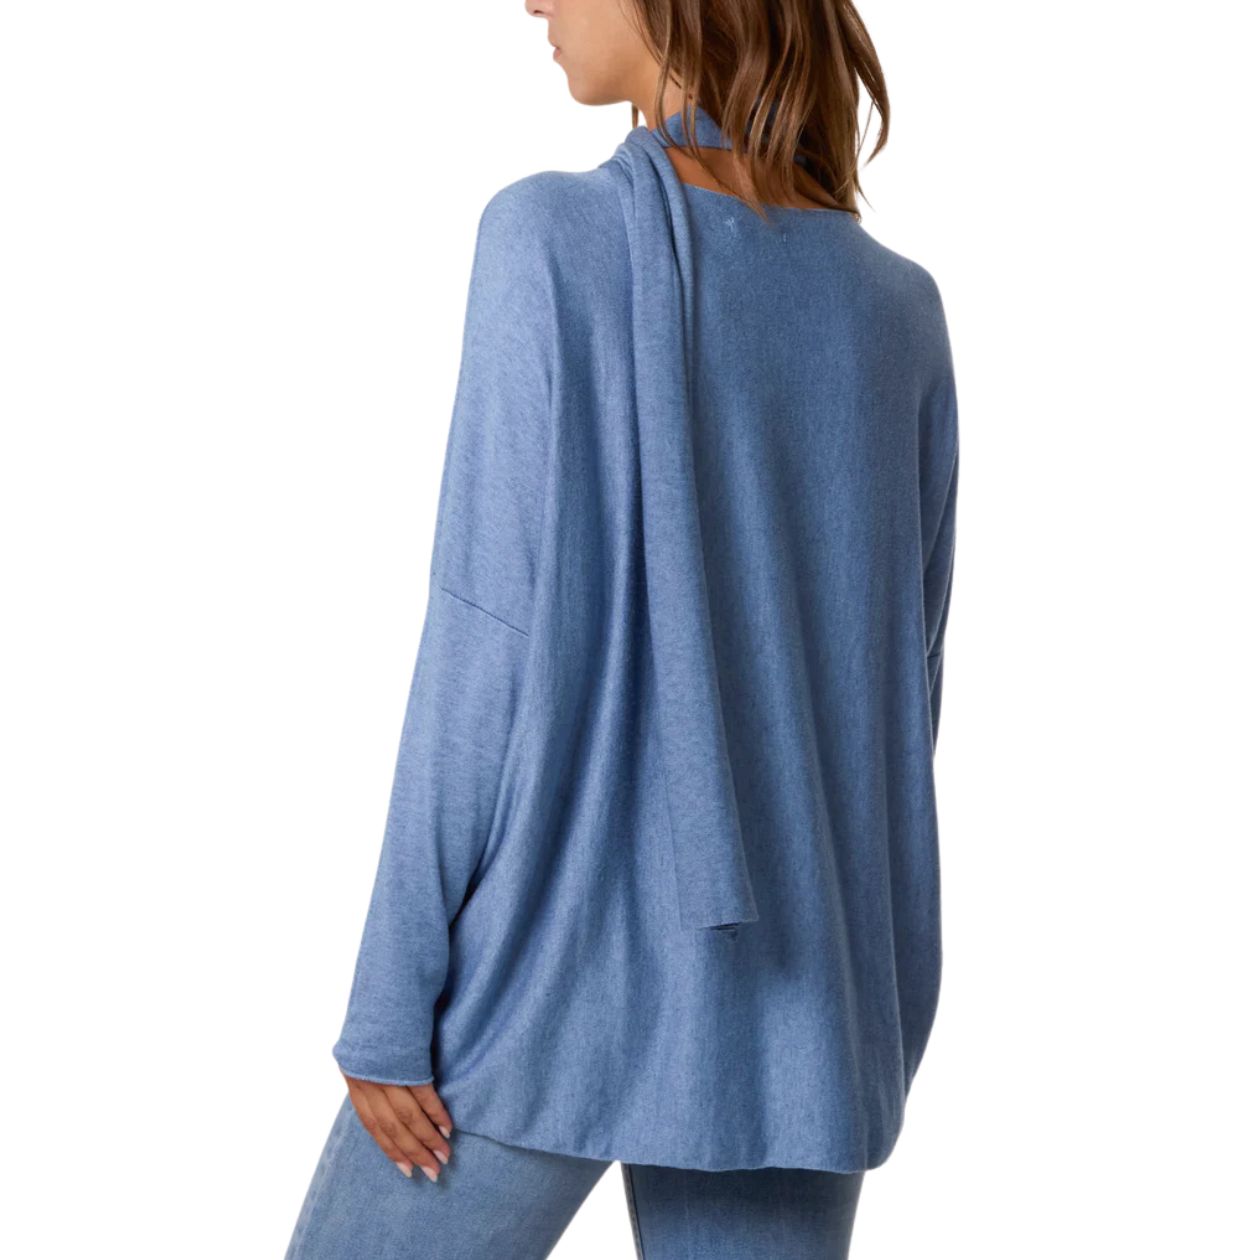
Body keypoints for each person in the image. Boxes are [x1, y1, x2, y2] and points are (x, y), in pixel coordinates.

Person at [285, 1, 959, 1255]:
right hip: (801, 1012)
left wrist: (392, 994)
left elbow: (483, 640)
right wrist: (874, 1014)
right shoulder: (897, 311)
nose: (533, 1)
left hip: (553, 970)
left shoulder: (548, 239)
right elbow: (900, 713)